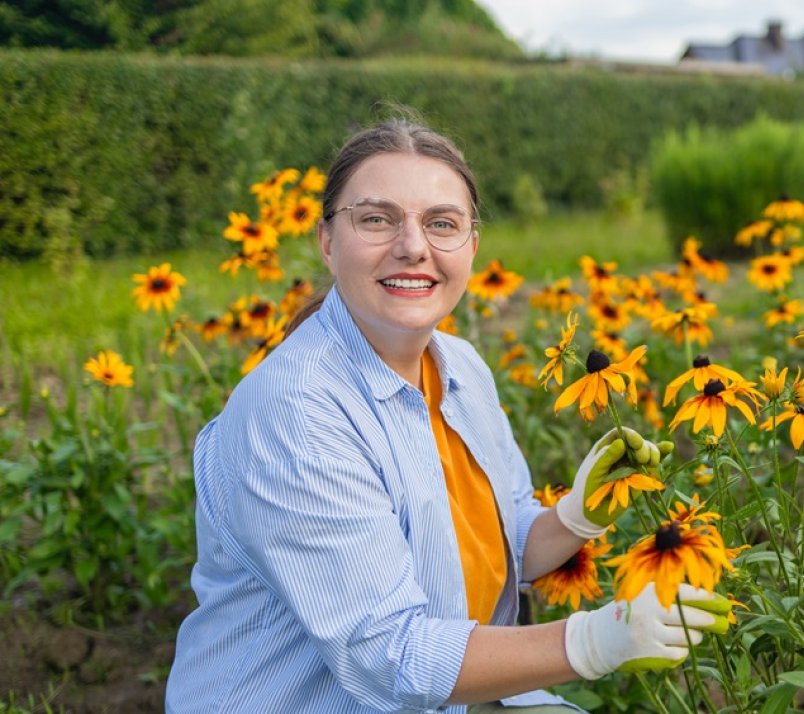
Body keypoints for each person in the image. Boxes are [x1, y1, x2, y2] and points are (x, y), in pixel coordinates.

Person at [166, 116, 724, 713]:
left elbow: (501, 547)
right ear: (327, 242)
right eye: (377, 219)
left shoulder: (460, 368)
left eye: (442, 224)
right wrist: (592, 640)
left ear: (472, 248)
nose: (413, 246)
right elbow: (390, 655)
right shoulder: (297, 412)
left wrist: (574, 517)